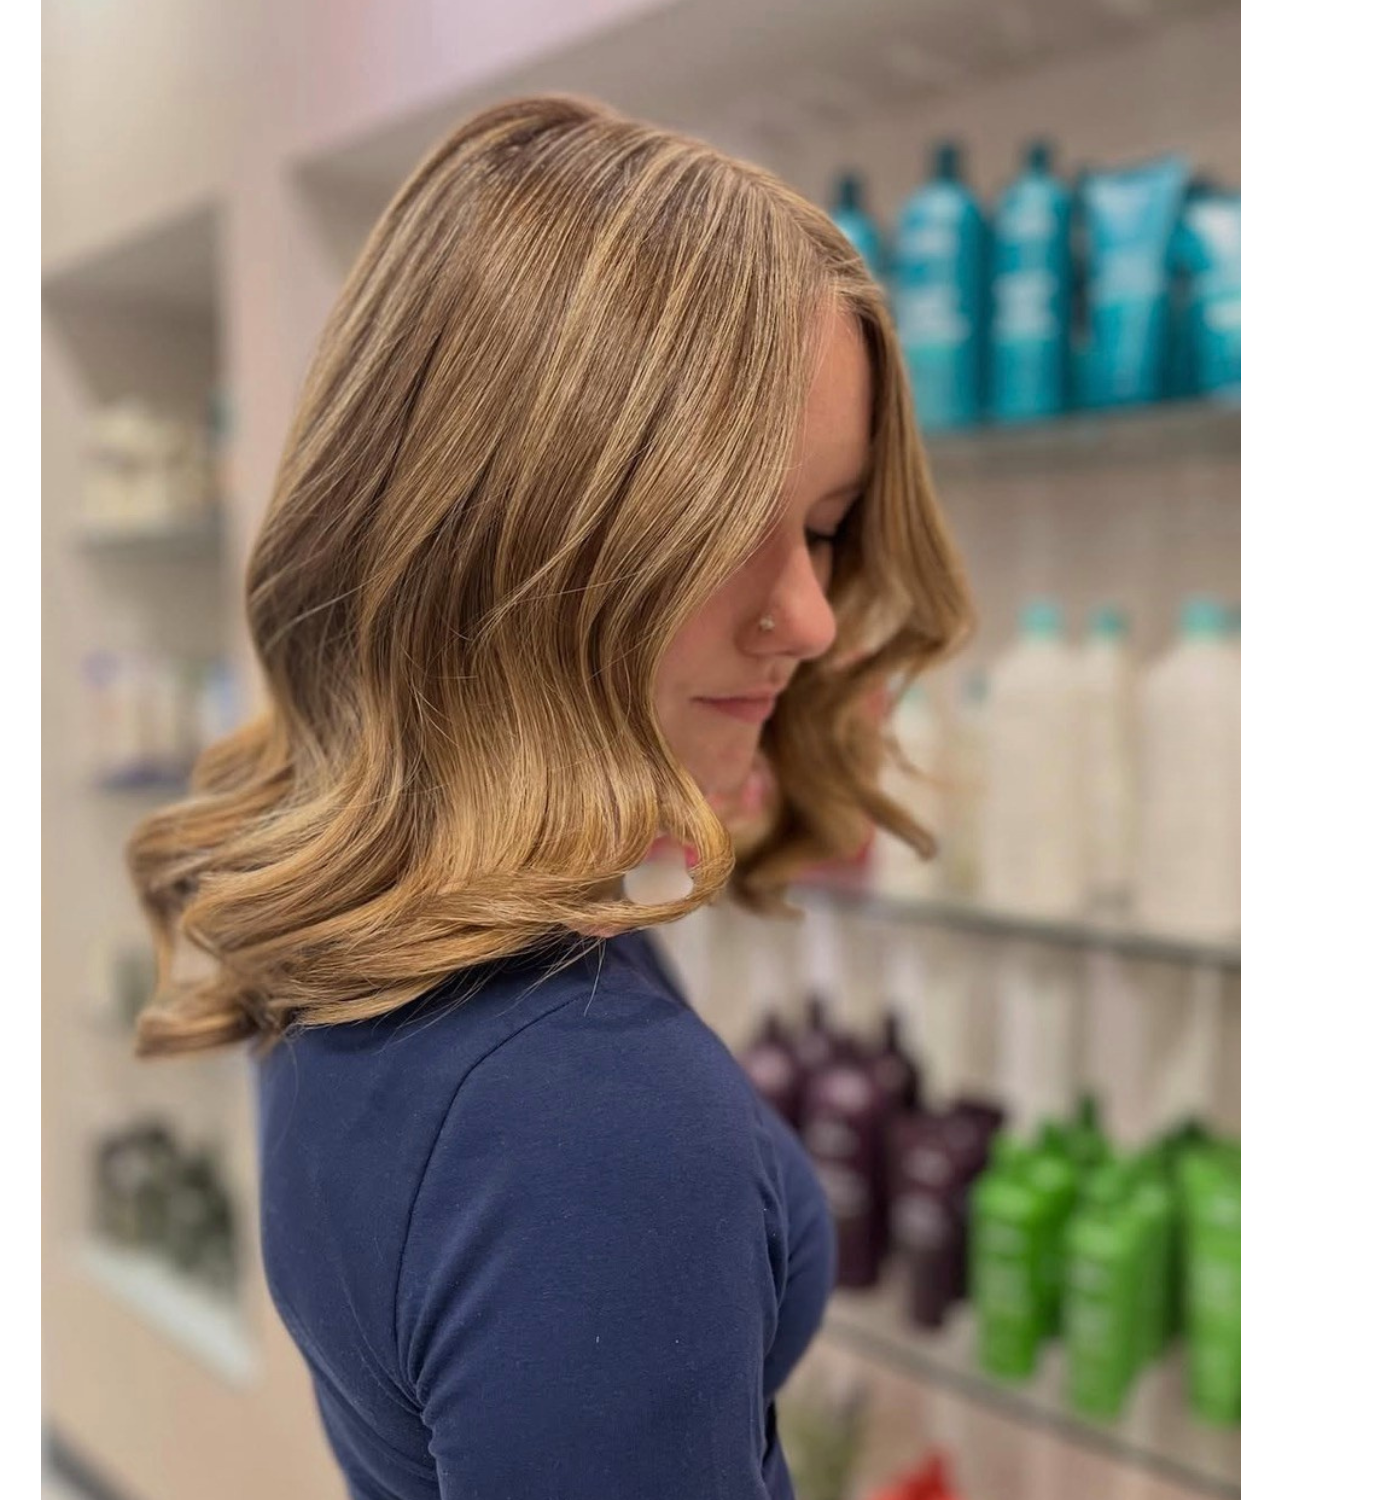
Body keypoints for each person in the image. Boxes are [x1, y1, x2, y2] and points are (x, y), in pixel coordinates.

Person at [126, 94, 973, 1500]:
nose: (817, 619)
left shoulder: (359, 919)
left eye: (824, 530)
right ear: (500, 530)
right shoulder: (592, 1124)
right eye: (724, 531)